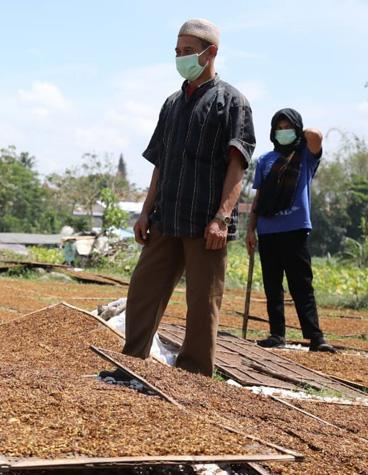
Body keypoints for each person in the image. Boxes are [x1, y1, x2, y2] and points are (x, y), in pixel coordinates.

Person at [100, 18, 255, 378]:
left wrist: (223, 217)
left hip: (206, 223)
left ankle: (194, 376)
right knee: (143, 292)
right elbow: (160, 163)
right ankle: (131, 364)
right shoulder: (172, 104)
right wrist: (144, 212)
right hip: (166, 217)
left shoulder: (232, 103)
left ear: (211, 53)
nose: (181, 58)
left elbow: (238, 165)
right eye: (177, 52)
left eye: (188, 52)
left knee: (202, 304)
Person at [246, 109, 336, 352]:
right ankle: (277, 334)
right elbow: (259, 199)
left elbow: (316, 136)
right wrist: (250, 230)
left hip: (295, 230)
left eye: (289, 127)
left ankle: (316, 338)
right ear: (273, 132)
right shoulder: (265, 161)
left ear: (297, 130)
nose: (283, 132)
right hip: (267, 231)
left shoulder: (305, 157)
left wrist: (300, 133)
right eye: (279, 128)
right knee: (272, 284)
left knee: (301, 284)